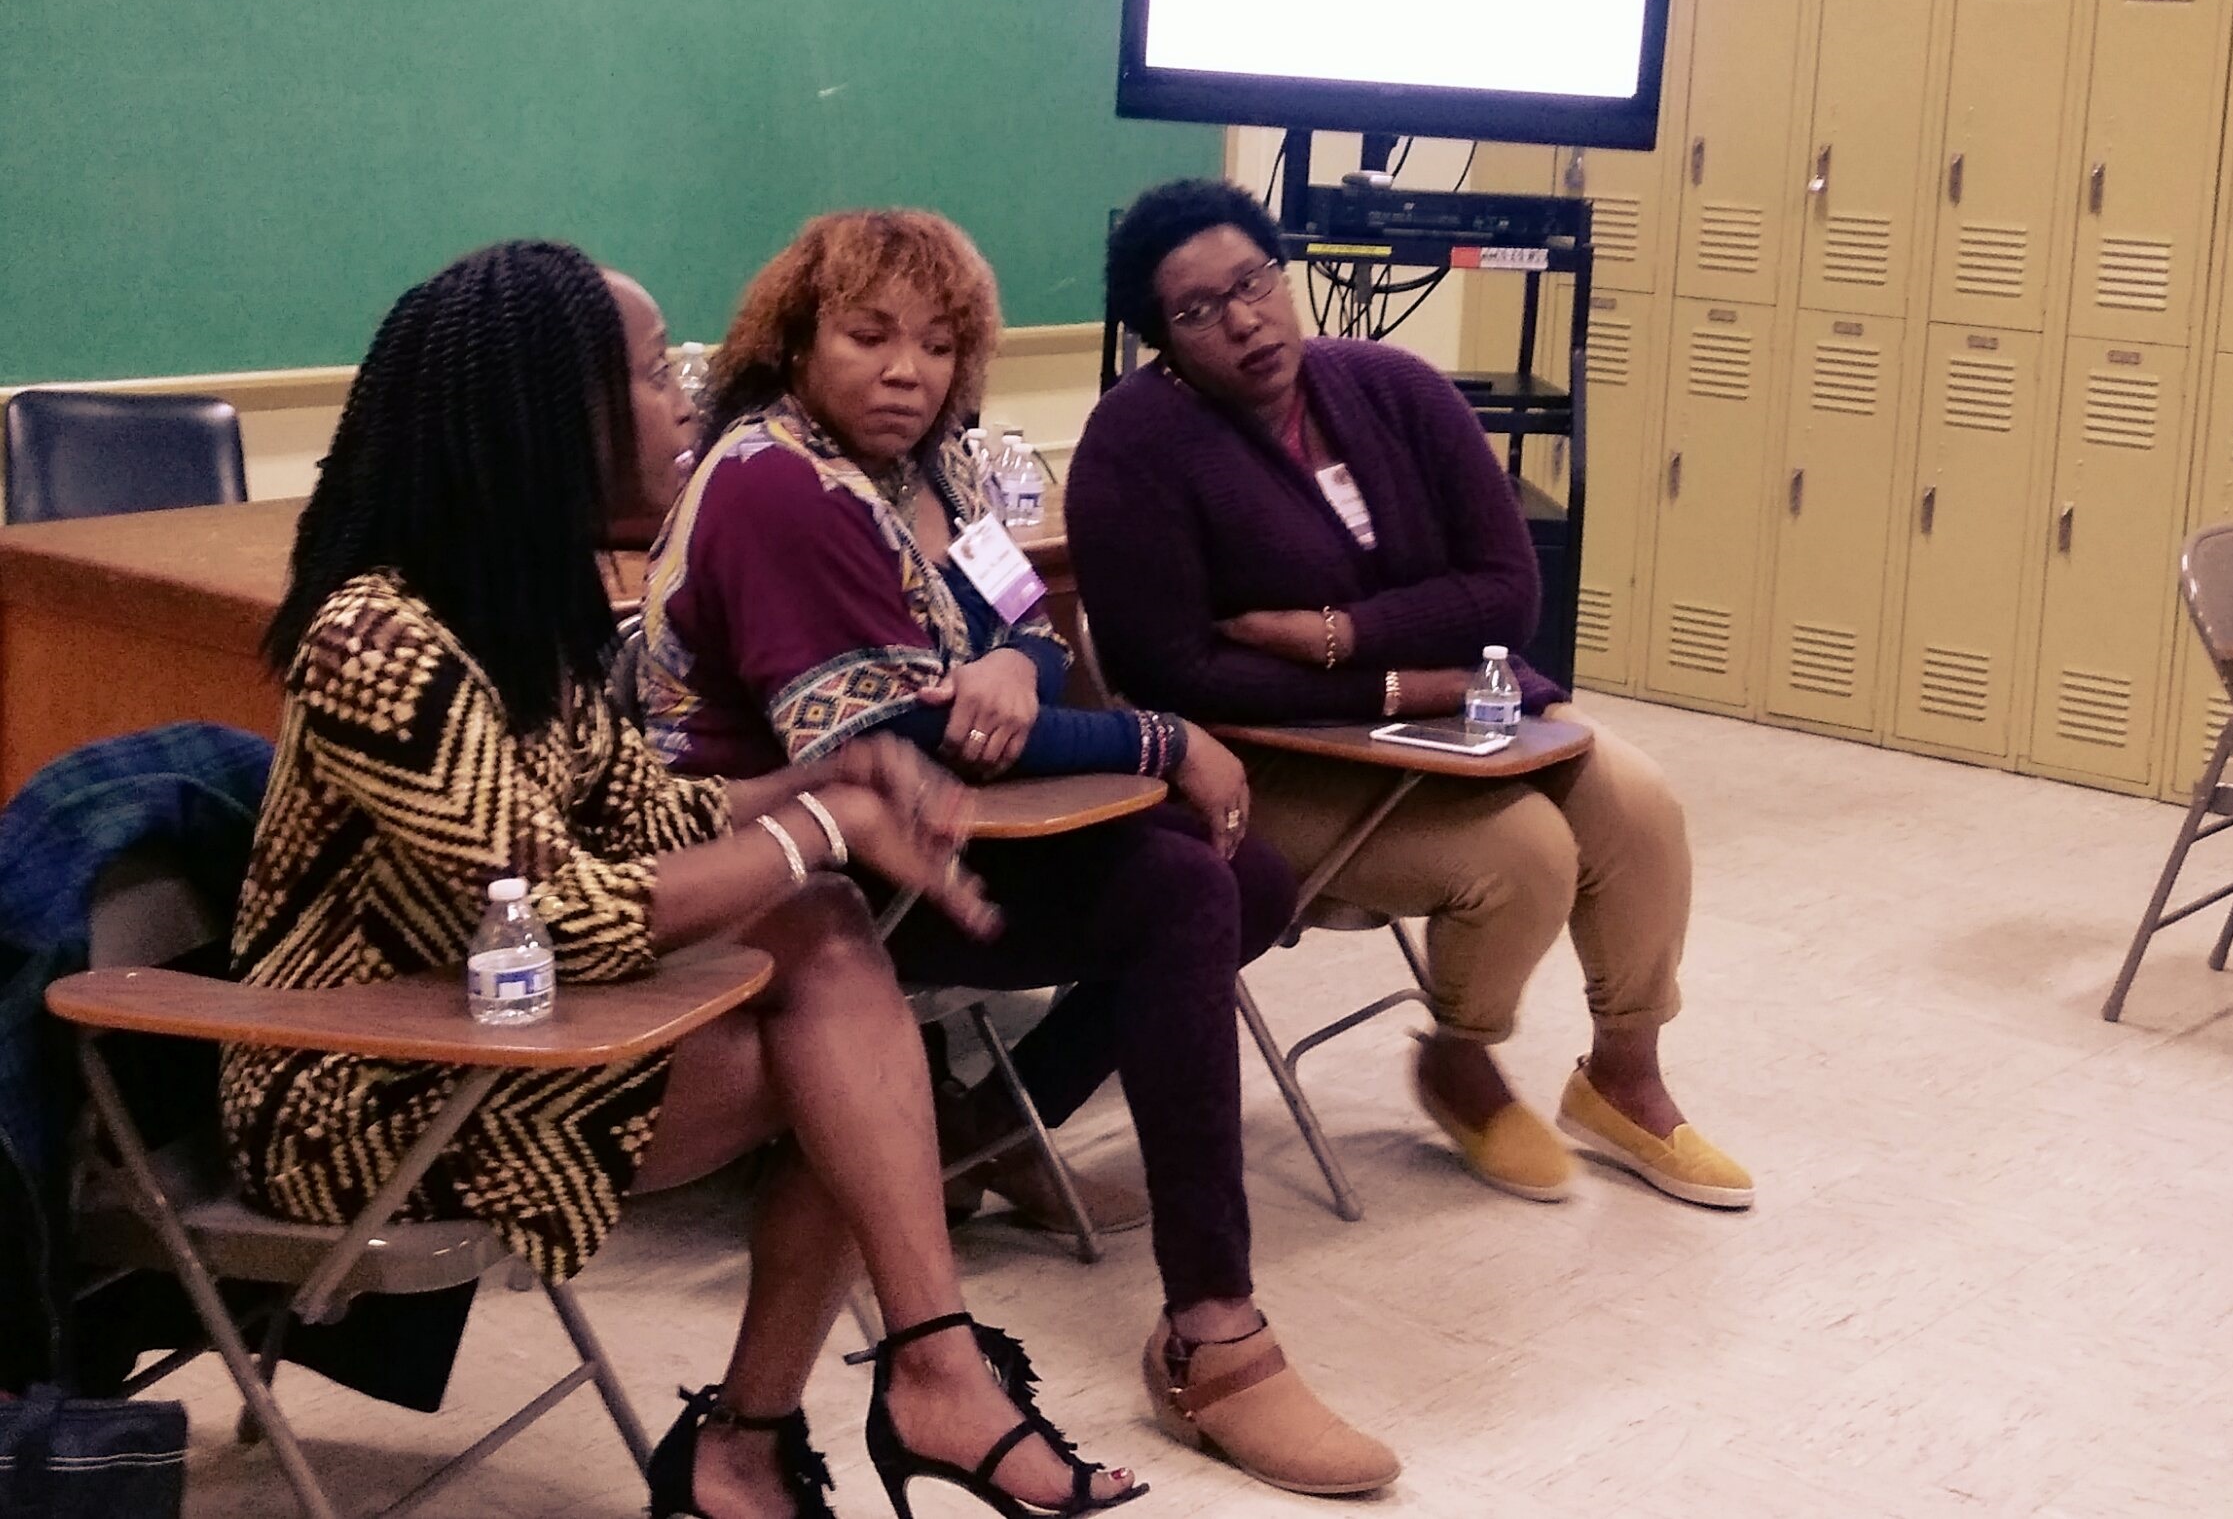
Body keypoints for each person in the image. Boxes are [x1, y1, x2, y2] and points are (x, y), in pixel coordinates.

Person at [224, 241, 1140, 1519]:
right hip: (357, 1083)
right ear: (557, 410)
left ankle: (848, 1399)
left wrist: (847, 777)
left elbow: (654, 809)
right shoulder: (377, 635)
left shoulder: (513, 614)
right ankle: (826, 1409)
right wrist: (820, 824)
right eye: (659, 373)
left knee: (833, 983)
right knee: (853, 1076)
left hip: (496, 1029)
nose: (689, 399)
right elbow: (559, 911)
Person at [641, 209, 1397, 1498]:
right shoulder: (776, 478)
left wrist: (1010, 659)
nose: (907, 371)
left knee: (1245, 874)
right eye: (869, 336)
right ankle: (1213, 1332)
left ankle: (992, 1126)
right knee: (1173, 888)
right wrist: (1161, 734)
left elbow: (1033, 630)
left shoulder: (939, 468)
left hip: (924, 833)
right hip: (781, 871)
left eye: (937, 345)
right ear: (793, 338)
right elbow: (886, 733)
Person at [1067, 180, 1752, 1214]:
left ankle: (1622, 1075)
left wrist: (1339, 637)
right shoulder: (1133, 444)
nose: (1245, 318)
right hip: (1267, 762)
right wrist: (1392, 675)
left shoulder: (1390, 384)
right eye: (1200, 309)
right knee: (1521, 851)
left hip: (1444, 715)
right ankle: (1460, 1061)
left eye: (1253, 281)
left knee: (1638, 801)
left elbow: (1506, 592)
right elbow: (1172, 672)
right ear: (1163, 338)